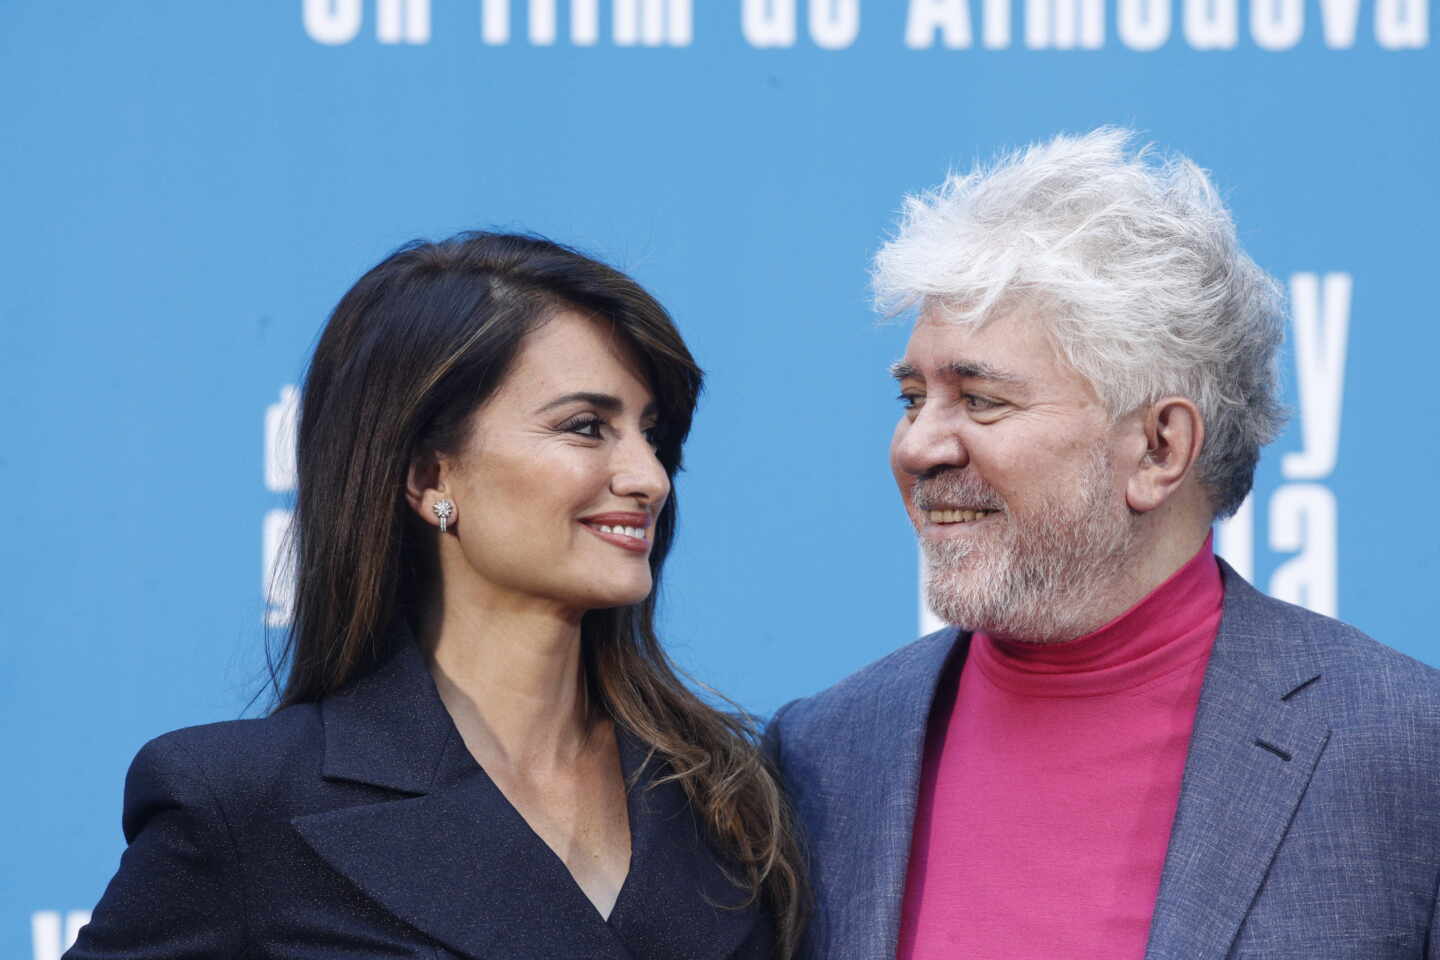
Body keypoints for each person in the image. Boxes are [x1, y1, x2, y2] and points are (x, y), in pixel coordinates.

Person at [767, 129, 1440, 960]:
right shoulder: (824, 752)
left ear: (1159, 447)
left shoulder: (1405, 747)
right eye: (913, 399)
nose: (918, 447)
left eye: (979, 401)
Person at [68, 232, 803, 959]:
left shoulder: (728, 796)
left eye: (653, 435)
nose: (649, 477)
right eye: (586, 428)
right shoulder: (241, 804)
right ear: (428, 478)